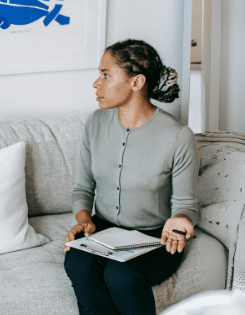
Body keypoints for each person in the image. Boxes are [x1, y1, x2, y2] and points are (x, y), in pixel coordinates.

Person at [63, 39, 200, 315]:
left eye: (105, 75)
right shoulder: (95, 123)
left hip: (156, 238)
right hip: (102, 231)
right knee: (77, 262)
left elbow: (186, 203)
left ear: (136, 82)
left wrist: (181, 220)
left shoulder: (177, 135)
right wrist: (83, 219)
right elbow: (83, 187)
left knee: (120, 274)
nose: (96, 84)